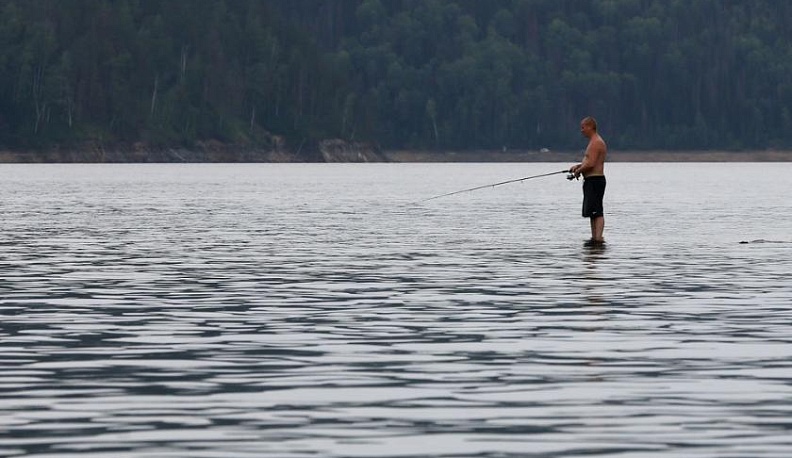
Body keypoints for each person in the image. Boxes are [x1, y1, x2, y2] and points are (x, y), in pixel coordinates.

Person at [569, 116, 607, 247]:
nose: (581, 130)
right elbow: (589, 162)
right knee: (592, 212)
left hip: (596, 180)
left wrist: (579, 171)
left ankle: (598, 238)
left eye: (583, 127)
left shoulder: (596, 142)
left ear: (590, 127)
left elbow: (590, 164)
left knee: (597, 211)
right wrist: (578, 167)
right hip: (591, 180)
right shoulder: (593, 142)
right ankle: (594, 237)